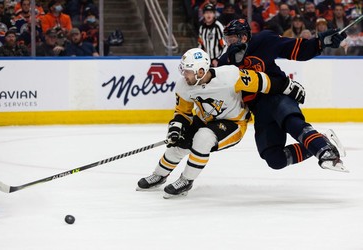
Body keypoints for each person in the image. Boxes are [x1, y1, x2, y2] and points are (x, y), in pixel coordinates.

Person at [136, 48, 306, 198]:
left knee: (203, 138)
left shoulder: (230, 76)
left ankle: (186, 180)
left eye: (187, 71)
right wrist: (176, 129)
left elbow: (262, 82)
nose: (183, 74)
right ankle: (159, 175)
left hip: (233, 123)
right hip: (204, 120)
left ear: (201, 71)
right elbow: (183, 112)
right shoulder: (184, 85)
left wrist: (289, 87)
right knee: (177, 145)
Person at [218, 18, 348, 174]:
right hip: (259, 110)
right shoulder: (224, 63)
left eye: (232, 39)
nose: (229, 43)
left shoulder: (264, 40)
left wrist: (320, 43)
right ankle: (322, 140)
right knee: (275, 159)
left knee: (292, 122)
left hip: (277, 95)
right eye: (227, 39)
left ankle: (325, 151)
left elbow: (297, 49)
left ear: (244, 37)